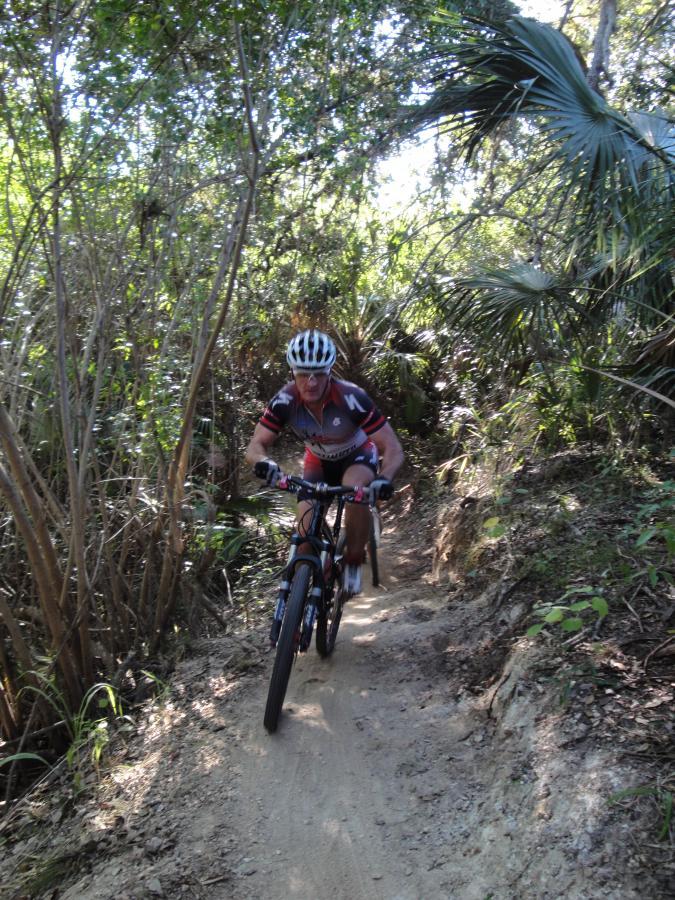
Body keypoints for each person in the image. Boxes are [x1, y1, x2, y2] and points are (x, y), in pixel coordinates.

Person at [245, 328, 404, 596]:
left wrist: (384, 478)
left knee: (355, 490)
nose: (311, 382)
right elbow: (255, 445)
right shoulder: (285, 400)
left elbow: (393, 448)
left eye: (319, 373)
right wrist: (263, 462)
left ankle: (353, 560)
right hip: (318, 461)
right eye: (303, 374)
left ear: (330, 371)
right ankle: (310, 589)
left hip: (357, 455)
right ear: (292, 372)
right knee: (305, 536)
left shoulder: (351, 398)